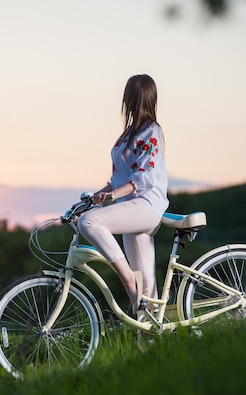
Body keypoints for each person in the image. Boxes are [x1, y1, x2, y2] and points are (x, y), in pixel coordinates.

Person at [77, 74, 169, 314]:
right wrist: (98, 194)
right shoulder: (128, 133)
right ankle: (152, 337)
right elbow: (119, 178)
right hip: (130, 207)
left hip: (146, 205)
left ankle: (126, 277)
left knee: (90, 222)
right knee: (146, 289)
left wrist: (114, 195)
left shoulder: (152, 131)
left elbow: (140, 178)